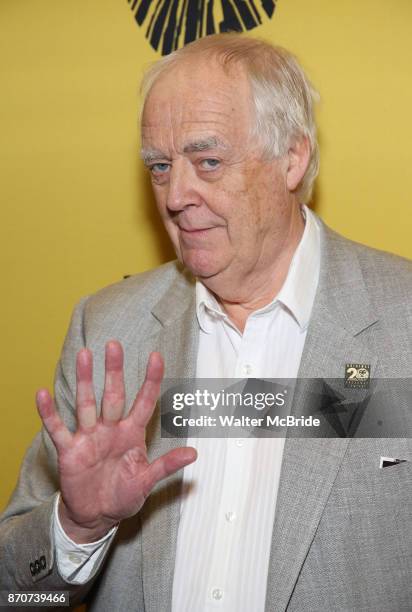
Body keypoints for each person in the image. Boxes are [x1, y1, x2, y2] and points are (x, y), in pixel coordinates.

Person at [1, 33, 412, 612]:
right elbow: (17, 595)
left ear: (292, 157)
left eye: (208, 161)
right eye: (161, 166)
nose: (175, 195)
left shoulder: (403, 325)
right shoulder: (110, 332)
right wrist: (76, 527)